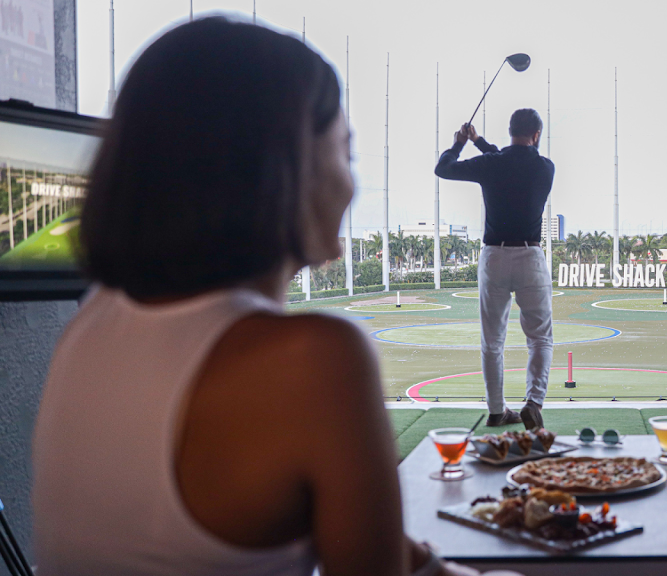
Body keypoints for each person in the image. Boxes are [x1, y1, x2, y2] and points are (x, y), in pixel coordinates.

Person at [32, 18, 508, 576]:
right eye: (346, 152)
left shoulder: (91, 323)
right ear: (287, 165)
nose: (353, 185)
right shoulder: (314, 356)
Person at [435, 111, 555, 429]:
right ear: (537, 134)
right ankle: (533, 402)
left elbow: (443, 168)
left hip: (495, 257)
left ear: (510, 131)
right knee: (540, 339)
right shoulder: (545, 167)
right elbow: (509, 161)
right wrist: (479, 142)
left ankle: (496, 411)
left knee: (492, 341)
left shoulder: (493, 164)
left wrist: (461, 143)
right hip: (530, 257)